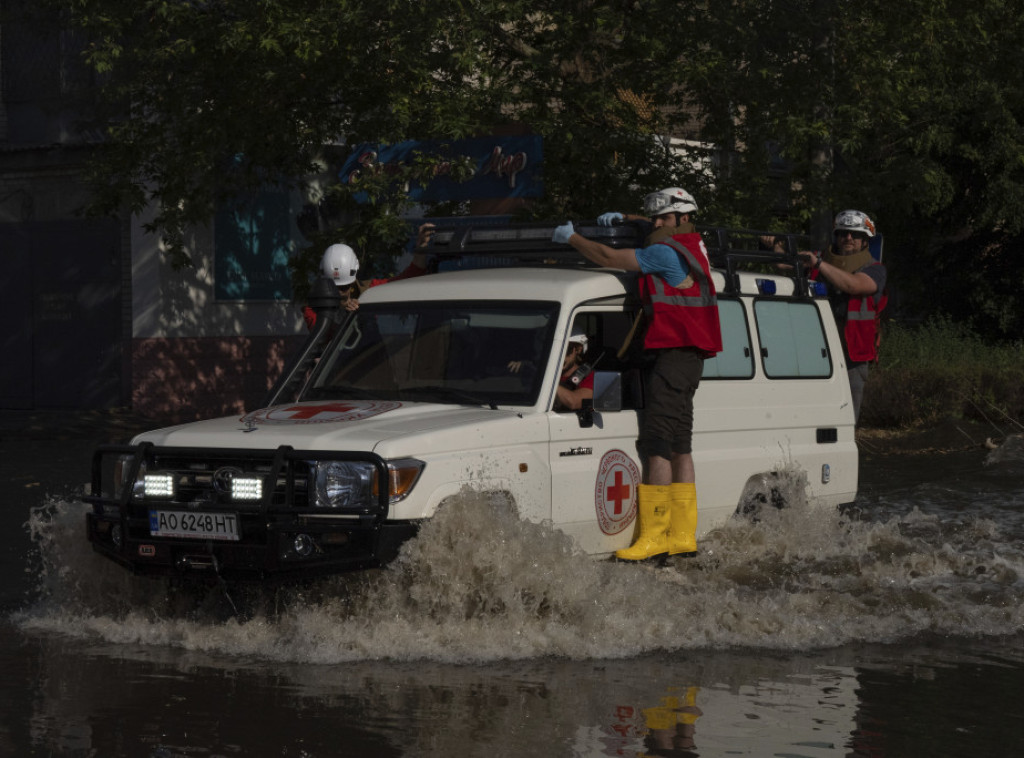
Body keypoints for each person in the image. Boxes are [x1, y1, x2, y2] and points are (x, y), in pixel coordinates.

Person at [552, 187, 723, 561]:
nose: (655, 223)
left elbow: (609, 256)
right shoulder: (691, 244)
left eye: (662, 218)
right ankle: (682, 537)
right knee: (681, 443)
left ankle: (655, 538)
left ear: (680, 218)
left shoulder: (663, 252)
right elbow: (654, 224)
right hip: (689, 355)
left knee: (657, 443)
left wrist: (573, 238)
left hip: (674, 355)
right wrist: (630, 219)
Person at [773, 210, 886, 422]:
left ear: (865, 241)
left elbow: (854, 285)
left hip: (852, 355)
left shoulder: (875, 269)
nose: (848, 238)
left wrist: (818, 264)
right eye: (843, 233)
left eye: (855, 234)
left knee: (846, 417)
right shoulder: (820, 259)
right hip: (817, 353)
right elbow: (782, 264)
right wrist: (775, 245)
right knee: (812, 415)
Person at [302, 224, 435, 330]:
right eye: (334, 287)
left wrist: (421, 246)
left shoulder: (369, 290)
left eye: (344, 287)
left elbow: (407, 280)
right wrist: (344, 312)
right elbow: (322, 336)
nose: (340, 292)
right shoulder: (313, 308)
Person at [554, 327, 594, 411]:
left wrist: (544, 383)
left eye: (565, 349)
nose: (560, 355)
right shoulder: (545, 374)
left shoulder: (591, 377)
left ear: (578, 349)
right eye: (554, 350)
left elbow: (574, 402)